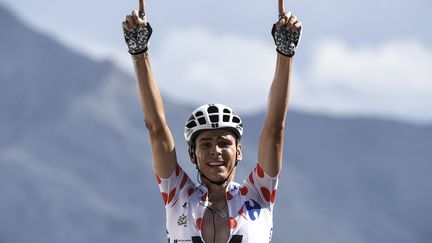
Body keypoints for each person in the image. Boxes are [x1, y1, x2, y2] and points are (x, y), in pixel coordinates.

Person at [122, 0, 302, 242]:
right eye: (205, 144)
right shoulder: (178, 195)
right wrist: (139, 51)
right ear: (192, 154)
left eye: (224, 143)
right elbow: (156, 128)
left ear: (239, 151)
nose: (215, 151)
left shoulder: (258, 193)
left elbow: (274, 128)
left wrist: (285, 53)